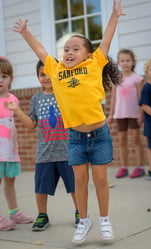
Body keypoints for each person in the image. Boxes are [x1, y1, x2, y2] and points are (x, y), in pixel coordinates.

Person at [12, 0, 125, 243]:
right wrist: (25, 32)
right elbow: (41, 52)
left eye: (75, 49)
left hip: (99, 135)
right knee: (80, 182)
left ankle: (104, 219)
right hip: (74, 137)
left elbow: (105, 40)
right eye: (66, 49)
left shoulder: (94, 64)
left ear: (88, 53)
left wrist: (114, 15)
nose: (69, 53)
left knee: (101, 180)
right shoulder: (57, 69)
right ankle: (84, 220)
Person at [5, 60, 79, 231]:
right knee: (40, 187)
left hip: (67, 151)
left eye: (50, 73)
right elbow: (31, 124)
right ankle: (42, 215)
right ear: (38, 77)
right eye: (42, 74)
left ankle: (80, 212)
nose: (46, 77)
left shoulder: (66, 94)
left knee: (75, 185)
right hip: (44, 153)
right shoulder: (36, 99)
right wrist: (17, 110)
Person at [0, 57, 33, 231]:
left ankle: (14, 212)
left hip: (10, 148)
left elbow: (12, 123)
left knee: (10, 181)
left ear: (11, 79)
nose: (0, 80)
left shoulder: (13, 99)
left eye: (4, 76)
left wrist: (17, 144)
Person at [107, 49, 145, 178]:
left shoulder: (137, 79)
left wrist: (141, 113)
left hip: (134, 113)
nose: (125, 63)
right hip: (120, 114)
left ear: (133, 62)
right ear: (118, 63)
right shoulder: (116, 79)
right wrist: (111, 114)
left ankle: (139, 167)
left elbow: (141, 97)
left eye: (128, 60)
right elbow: (113, 98)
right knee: (122, 141)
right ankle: (124, 167)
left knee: (136, 140)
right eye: (122, 61)